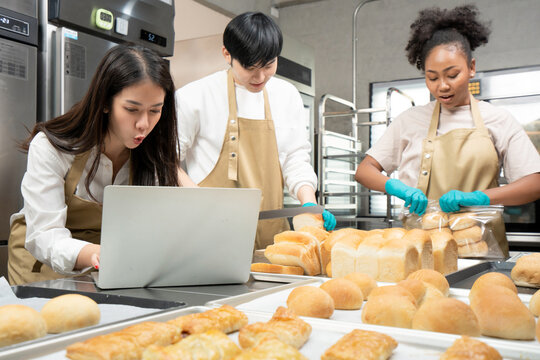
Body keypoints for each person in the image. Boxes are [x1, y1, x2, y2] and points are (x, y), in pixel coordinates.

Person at [355, 5, 540, 255]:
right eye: (432, 77)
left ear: (471, 67)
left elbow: (534, 183)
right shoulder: (410, 120)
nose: (442, 86)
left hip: (481, 248)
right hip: (419, 251)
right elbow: (365, 170)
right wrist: (396, 187)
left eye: (452, 75)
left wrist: (482, 198)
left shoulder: (497, 119)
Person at [8, 44, 181, 285]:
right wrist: (98, 255)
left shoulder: (152, 157)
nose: (144, 124)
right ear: (105, 103)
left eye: (155, 110)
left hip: (107, 271)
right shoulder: (51, 146)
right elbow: (44, 236)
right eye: (132, 109)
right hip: (40, 270)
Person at [176, 12, 336, 249]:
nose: (260, 77)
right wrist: (198, 199)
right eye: (250, 67)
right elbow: (167, 158)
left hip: (272, 240)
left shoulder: (286, 95)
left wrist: (308, 204)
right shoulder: (195, 95)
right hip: (210, 233)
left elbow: (295, 157)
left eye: (269, 65)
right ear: (227, 54)